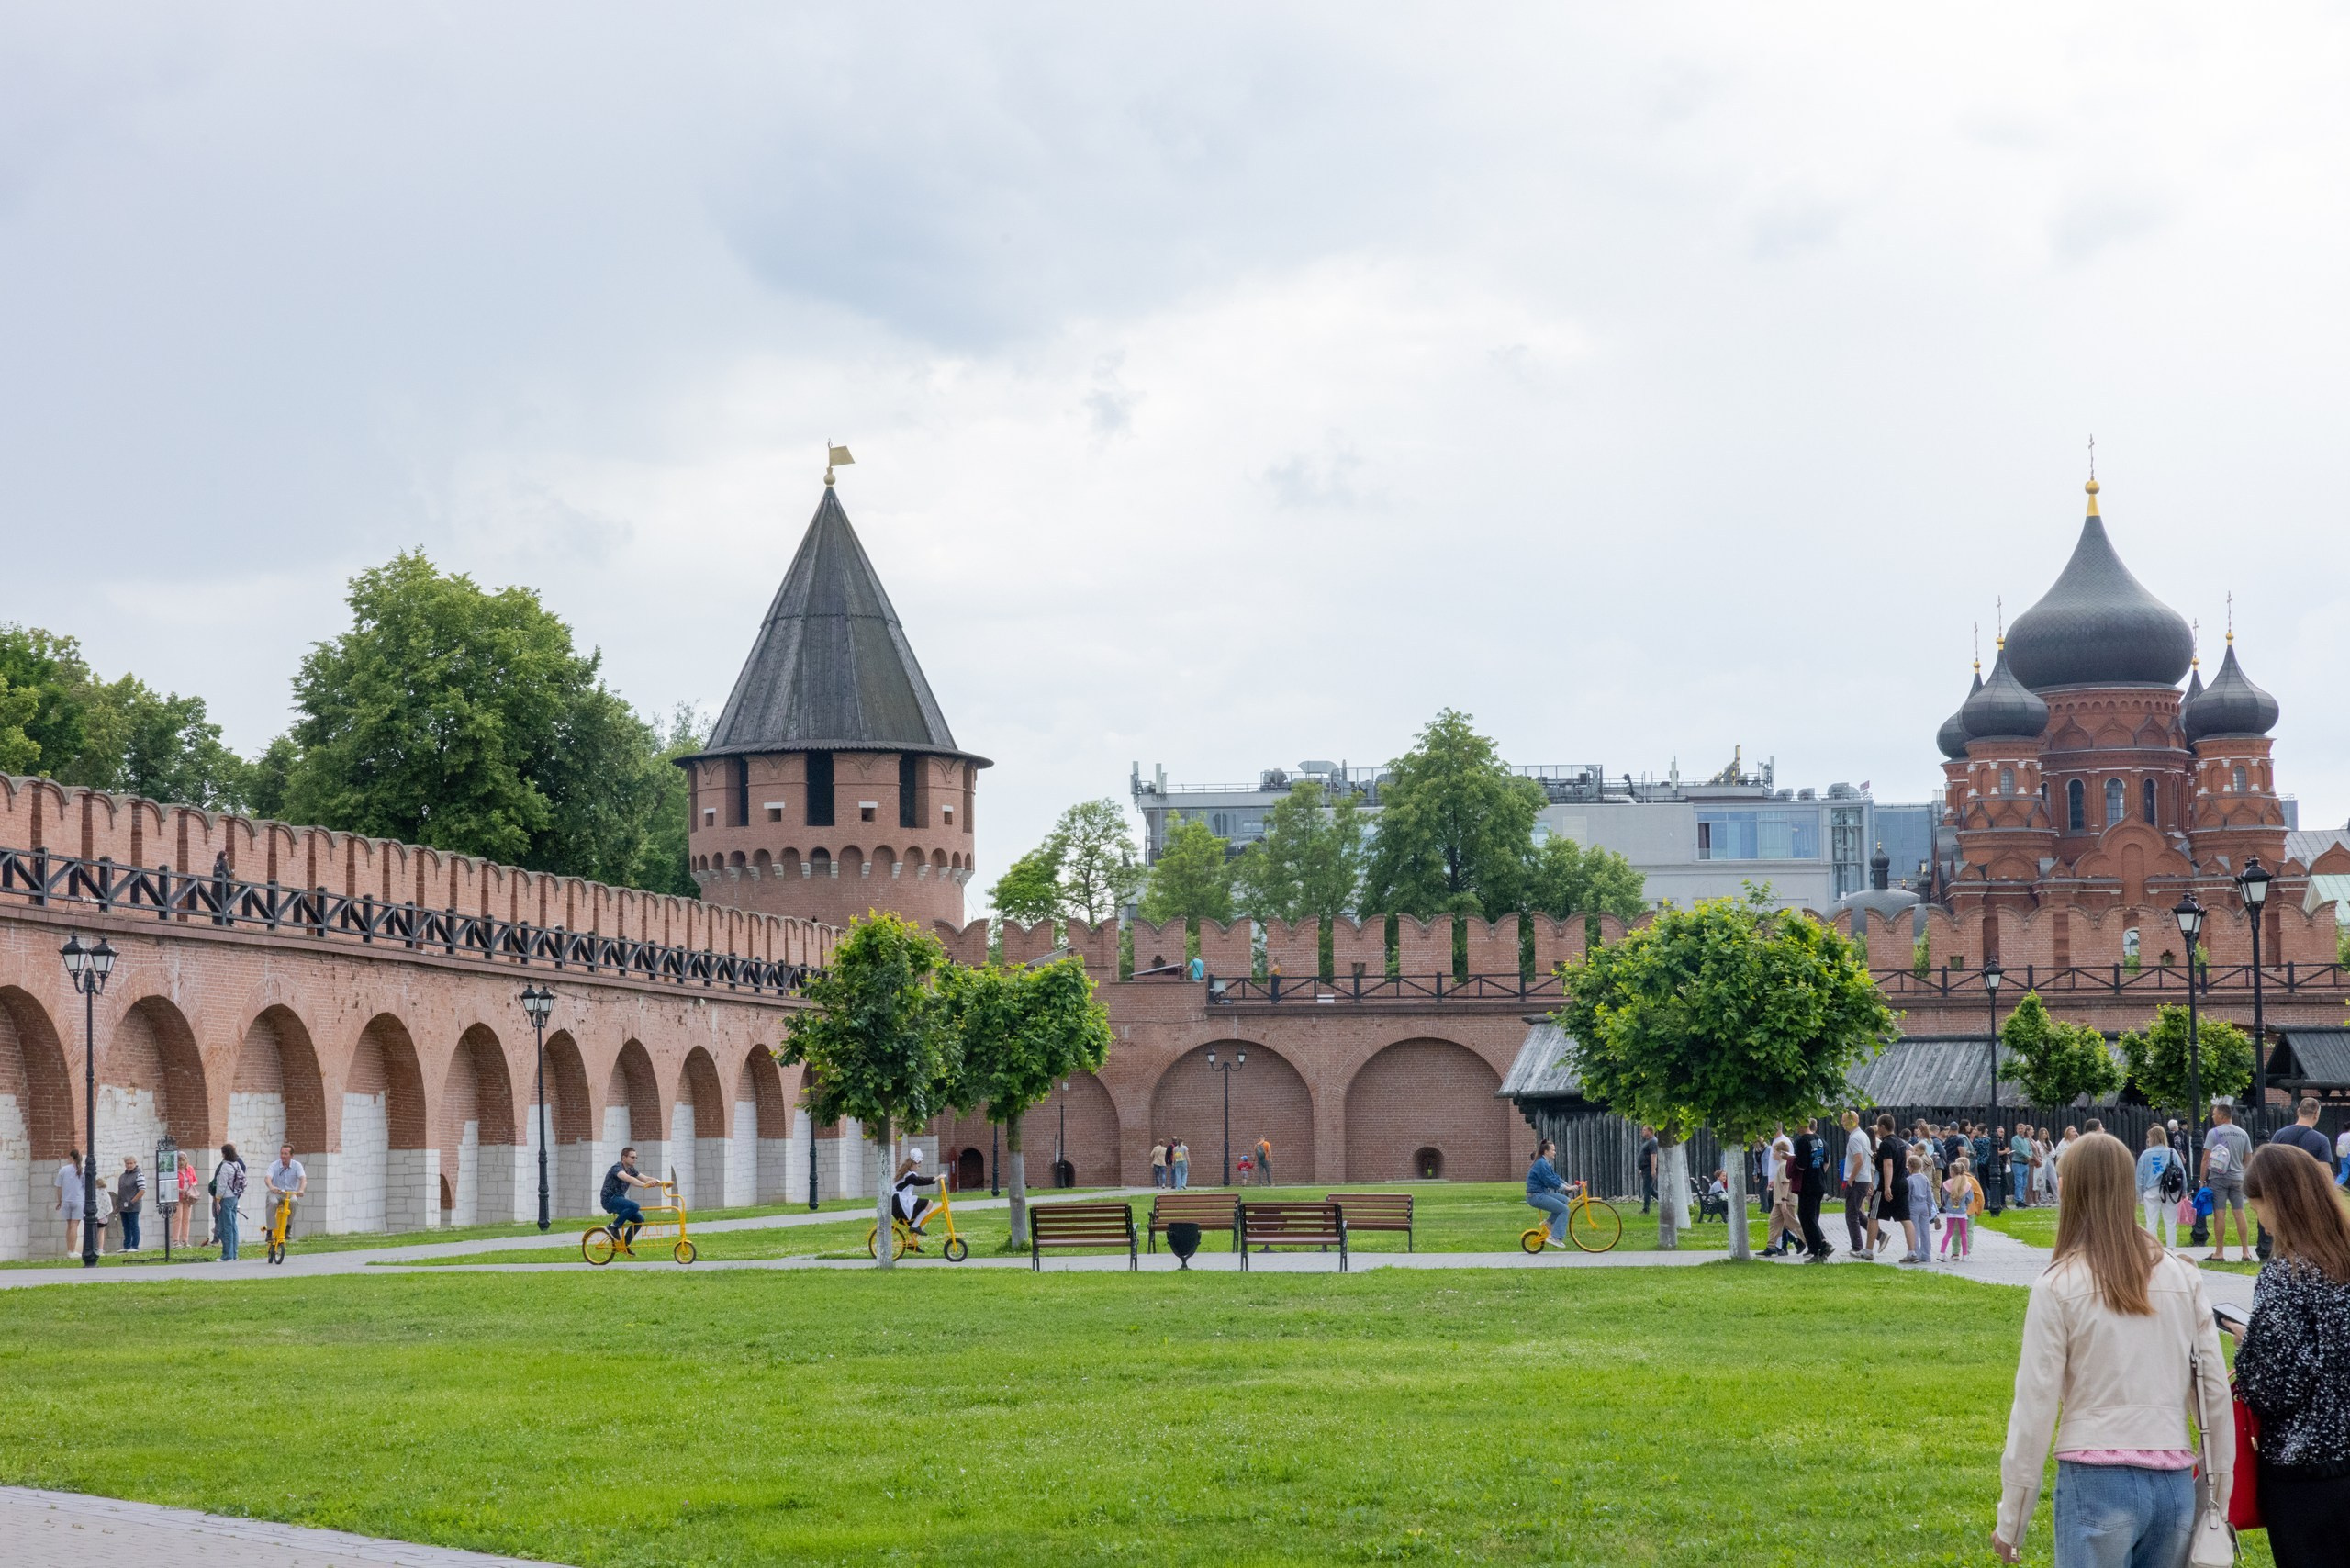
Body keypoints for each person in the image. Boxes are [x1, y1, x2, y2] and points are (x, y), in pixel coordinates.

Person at [1991, 1131, 2232, 1566]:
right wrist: (2219, 1494)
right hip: (2174, 1477)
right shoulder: (2182, 1275)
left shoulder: (2058, 1284)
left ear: (2070, 1190)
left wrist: (2013, 1518)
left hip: (2095, 1477)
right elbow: (2213, 1391)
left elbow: (2034, 1406)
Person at [2223, 1143, 2350, 1565]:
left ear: (2275, 1201)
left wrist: (2248, 1346)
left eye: (2257, 1207)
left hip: (2305, 1469)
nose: (2260, 1220)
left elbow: (2274, 1388)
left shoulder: (2287, 1273)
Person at [2201, 1099, 2255, 1263]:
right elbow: (2248, 1159)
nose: (2213, 1116)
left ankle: (2219, 1252)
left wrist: (2202, 1180)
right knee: (2239, 1213)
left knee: (2220, 1214)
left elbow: (2206, 1158)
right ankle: (2246, 1252)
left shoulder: (2214, 1133)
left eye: (2215, 1114)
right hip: (2238, 1178)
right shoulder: (2242, 1133)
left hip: (2218, 1178)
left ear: (2223, 1115)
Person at [599, 1145, 660, 1251]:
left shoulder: (631, 1170)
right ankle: (613, 1227)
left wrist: (659, 1182)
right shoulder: (617, 1168)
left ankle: (625, 1245)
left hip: (618, 1198)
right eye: (632, 1157)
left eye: (636, 1157)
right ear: (624, 1158)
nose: (635, 1159)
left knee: (639, 1219)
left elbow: (645, 1178)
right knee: (634, 1206)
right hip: (609, 1199)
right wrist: (644, 1185)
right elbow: (627, 1178)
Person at [1789, 1119, 1832, 1262]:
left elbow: (1801, 1165)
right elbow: (1826, 1161)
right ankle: (1823, 1243)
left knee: (1805, 1216)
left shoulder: (1802, 1141)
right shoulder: (1820, 1139)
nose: (1796, 1128)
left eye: (1797, 1125)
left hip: (1807, 1183)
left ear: (1802, 1125)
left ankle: (1817, 1249)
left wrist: (1789, 1160)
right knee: (1812, 1216)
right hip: (1819, 1181)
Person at [2135, 1125, 2184, 1249]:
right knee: (2170, 1221)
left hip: (2151, 1190)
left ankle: (2153, 1248)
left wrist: (2139, 1194)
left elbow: (2140, 1176)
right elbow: (2181, 1172)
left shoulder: (2145, 1154)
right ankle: (2171, 1248)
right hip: (2170, 1189)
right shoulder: (2172, 1152)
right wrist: (2184, 1191)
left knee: (2151, 1221)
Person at [1841, 1110, 1876, 1260]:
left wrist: (1850, 1179)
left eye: (1844, 1121)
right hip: (1864, 1178)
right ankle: (1880, 1235)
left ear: (1852, 1121)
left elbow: (1859, 1160)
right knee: (1856, 1212)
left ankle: (1857, 1246)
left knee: (1851, 1215)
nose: (1842, 1124)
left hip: (1857, 1179)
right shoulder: (1863, 1136)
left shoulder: (1855, 1138)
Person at [1874, 1114, 1911, 1259]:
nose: (1878, 1129)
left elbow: (1888, 1164)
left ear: (1883, 1126)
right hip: (1902, 1181)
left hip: (1888, 1183)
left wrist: (1887, 1186)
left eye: (1878, 1126)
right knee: (1905, 1218)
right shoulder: (1901, 1142)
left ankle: (1868, 1250)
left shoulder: (1886, 1144)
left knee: (1873, 1214)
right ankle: (1912, 1252)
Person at [1525, 1139, 1572, 1249]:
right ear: (1546, 1151)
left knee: (1564, 1200)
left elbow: (1554, 1176)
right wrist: (1565, 1188)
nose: (1555, 1152)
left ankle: (1549, 1223)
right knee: (1564, 1210)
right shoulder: (1541, 1163)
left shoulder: (1544, 1162)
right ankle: (1555, 1238)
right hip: (1536, 1196)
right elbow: (1549, 1180)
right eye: (1553, 1150)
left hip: (1541, 1193)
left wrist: (1567, 1185)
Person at [1762, 1128, 1797, 1257]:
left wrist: (1783, 1200)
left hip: (1783, 1199)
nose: (1772, 1154)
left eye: (1774, 1152)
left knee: (1792, 1224)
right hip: (1779, 1198)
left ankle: (1814, 1242)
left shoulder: (1783, 1165)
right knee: (1774, 1221)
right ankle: (1771, 1246)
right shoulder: (1780, 1165)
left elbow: (1786, 1182)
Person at [1939, 1156, 1983, 1260]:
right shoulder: (1969, 1183)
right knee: (1966, 1233)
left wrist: (1948, 1205)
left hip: (1950, 1212)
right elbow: (1972, 1198)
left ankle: (1949, 1253)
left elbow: (1944, 1198)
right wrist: (1975, 1208)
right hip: (1965, 1211)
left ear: (1951, 1172)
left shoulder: (1947, 1184)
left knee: (1951, 1233)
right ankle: (1966, 1254)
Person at [892, 1149, 942, 1241]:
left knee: (924, 1218)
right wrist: (935, 1179)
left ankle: (913, 1241)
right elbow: (919, 1181)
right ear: (913, 1164)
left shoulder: (906, 1174)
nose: (918, 1168)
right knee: (929, 1203)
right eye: (918, 1166)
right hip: (900, 1205)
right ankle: (914, 1227)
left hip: (899, 1204)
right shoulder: (909, 1175)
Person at [210, 1143, 247, 1260]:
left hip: (225, 1198)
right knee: (233, 1226)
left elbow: (221, 1186)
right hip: (234, 1197)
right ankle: (234, 1254)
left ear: (224, 1153)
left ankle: (227, 1255)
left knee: (226, 1226)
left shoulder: (225, 1167)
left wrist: (217, 1200)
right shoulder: (237, 1165)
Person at [1899, 1152, 1936, 1265]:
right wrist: (1930, 1208)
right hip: (1924, 1205)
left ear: (1911, 1166)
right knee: (1925, 1231)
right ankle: (1926, 1254)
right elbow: (1929, 1194)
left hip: (1913, 1206)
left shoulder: (1909, 1180)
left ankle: (1915, 1253)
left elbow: (1908, 1196)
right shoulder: (1924, 1178)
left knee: (1913, 1230)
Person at [264, 1144, 307, 1241]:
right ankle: (270, 1232)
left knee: (294, 1202)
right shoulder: (274, 1165)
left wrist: (301, 1190)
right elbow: (267, 1178)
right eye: (282, 1153)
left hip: (290, 1193)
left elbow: (303, 1179)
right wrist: (271, 1187)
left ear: (291, 1156)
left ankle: (288, 1227)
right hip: (276, 1192)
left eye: (286, 1154)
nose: (283, 1156)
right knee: (272, 1202)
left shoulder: (297, 1166)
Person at [53, 1151, 83, 1257]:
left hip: (66, 1200)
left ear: (70, 1157)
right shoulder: (82, 1170)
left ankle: (69, 1250)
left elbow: (58, 1186)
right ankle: (72, 1250)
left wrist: (59, 1201)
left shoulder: (63, 1170)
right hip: (78, 1200)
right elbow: (85, 1187)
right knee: (74, 1225)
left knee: (69, 1225)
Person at [116, 1155, 146, 1252]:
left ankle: (134, 1246)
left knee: (134, 1225)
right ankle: (126, 1245)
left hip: (133, 1205)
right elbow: (120, 1191)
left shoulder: (139, 1175)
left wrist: (133, 1201)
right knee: (125, 1226)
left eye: (131, 1163)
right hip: (123, 1205)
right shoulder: (122, 1176)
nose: (129, 1165)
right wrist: (118, 1204)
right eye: (127, 1163)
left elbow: (142, 1190)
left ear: (135, 1163)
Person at [173, 1152, 198, 1248]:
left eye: (183, 1160)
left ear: (186, 1160)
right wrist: (180, 1190)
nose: (181, 1163)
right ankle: (176, 1241)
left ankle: (185, 1240)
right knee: (177, 1218)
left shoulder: (190, 1169)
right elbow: (172, 1184)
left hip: (188, 1196)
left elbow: (195, 1180)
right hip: (178, 1196)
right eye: (179, 1161)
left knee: (186, 1219)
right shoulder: (174, 1171)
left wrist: (193, 1185)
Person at [2009, 1124, 2034, 1208]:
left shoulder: (2026, 1140)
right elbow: (2017, 1149)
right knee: (2019, 1182)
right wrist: (2026, 1156)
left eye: (2022, 1128)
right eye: (2019, 1128)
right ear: (2016, 1130)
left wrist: (2030, 1156)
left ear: (2024, 1130)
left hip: (2025, 1164)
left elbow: (2030, 1149)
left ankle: (2022, 1200)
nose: (2020, 1130)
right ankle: (2018, 1200)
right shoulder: (2015, 1139)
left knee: (2024, 1183)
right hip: (2018, 1163)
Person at [1637, 1126, 1659, 1215]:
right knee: (1650, 1189)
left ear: (1650, 1131)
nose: (1642, 1131)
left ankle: (1646, 1210)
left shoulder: (1653, 1141)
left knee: (1647, 1189)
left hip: (1649, 1169)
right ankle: (1667, 1202)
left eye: (1644, 1130)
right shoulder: (1648, 1141)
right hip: (1645, 1169)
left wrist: (1653, 1170)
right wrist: (1642, 1168)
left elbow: (1654, 1155)